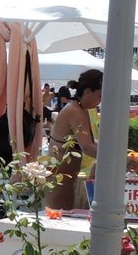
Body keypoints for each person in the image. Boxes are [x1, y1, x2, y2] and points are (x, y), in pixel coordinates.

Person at [45, 70, 104, 211]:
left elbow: (88, 141)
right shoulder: (74, 111)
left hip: (64, 178)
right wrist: (117, 161)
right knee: (58, 222)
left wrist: (117, 151)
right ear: (88, 91)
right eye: (100, 95)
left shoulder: (80, 109)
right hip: (58, 179)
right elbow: (87, 147)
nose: (100, 101)